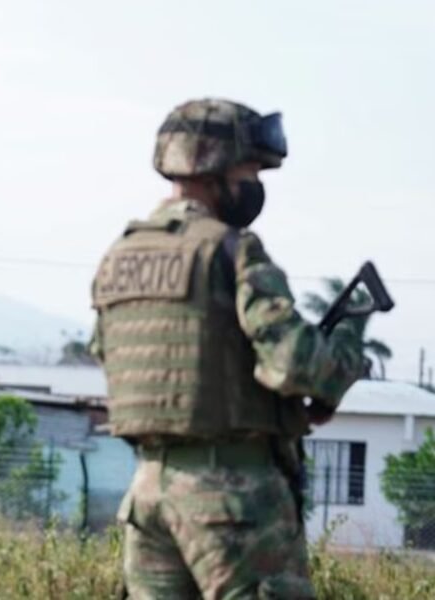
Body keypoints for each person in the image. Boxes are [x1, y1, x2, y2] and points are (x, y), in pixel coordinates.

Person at [90, 98, 367, 599]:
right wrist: (348, 347)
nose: (256, 183)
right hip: (231, 498)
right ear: (215, 167)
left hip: (147, 494)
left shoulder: (118, 257)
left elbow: (110, 356)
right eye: (251, 169)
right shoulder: (231, 248)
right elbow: (299, 363)